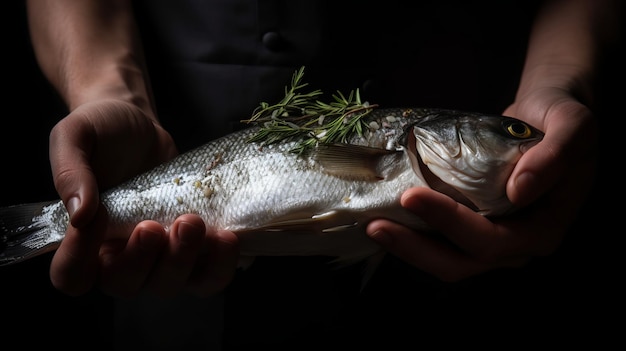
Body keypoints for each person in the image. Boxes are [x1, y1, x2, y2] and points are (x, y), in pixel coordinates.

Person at [22, 0, 621, 348]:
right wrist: (105, 86)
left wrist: (562, 80)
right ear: (428, 138)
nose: (525, 144)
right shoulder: (392, 150)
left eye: (518, 136)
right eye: (514, 133)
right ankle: (42, 227)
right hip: (181, 138)